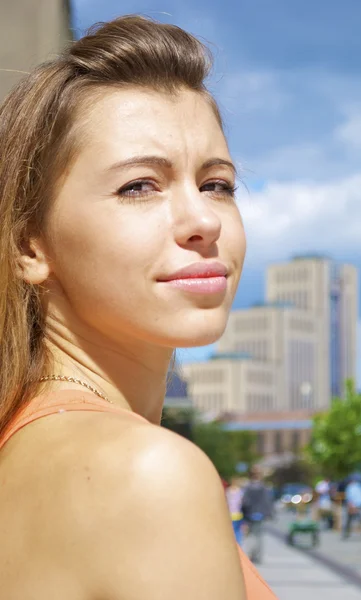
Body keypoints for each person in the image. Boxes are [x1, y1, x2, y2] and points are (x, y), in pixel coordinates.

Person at [0, 15, 276, 599]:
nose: (203, 220)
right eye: (139, 186)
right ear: (30, 244)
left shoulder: (25, 447)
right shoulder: (148, 473)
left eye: (217, 184)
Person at [242, 466, 274, 563]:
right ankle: (256, 555)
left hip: (250, 514)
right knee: (258, 535)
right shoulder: (263, 487)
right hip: (259, 514)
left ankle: (251, 554)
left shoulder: (248, 487)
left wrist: (244, 512)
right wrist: (268, 513)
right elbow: (267, 501)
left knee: (251, 535)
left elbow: (245, 501)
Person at [226, 476, 245, 546]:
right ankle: (238, 545)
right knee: (238, 531)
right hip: (238, 514)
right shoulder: (240, 491)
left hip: (230, 514)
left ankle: (232, 544)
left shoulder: (228, 491)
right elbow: (242, 503)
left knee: (231, 531)